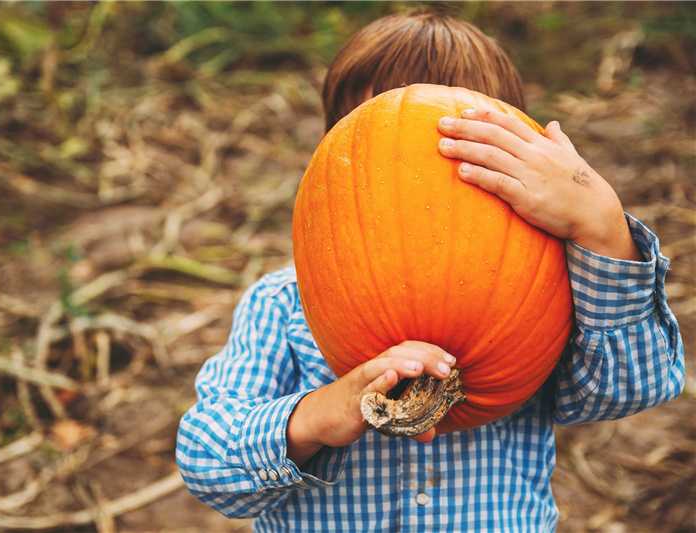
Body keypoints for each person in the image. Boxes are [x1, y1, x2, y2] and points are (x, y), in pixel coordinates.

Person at [176, 9, 685, 532]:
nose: (412, 184)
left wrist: (601, 228)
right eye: (379, 152)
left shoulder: (553, 289)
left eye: (446, 155)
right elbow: (205, 460)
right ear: (333, 165)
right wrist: (319, 415)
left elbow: (633, 387)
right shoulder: (283, 302)